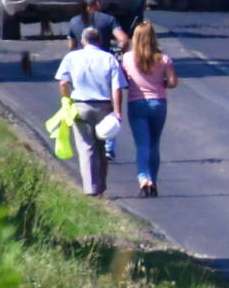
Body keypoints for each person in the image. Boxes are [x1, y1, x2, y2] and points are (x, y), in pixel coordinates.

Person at [55, 27, 126, 196]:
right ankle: (101, 186)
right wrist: (117, 111)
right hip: (103, 107)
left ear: (82, 41)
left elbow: (63, 83)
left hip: (80, 105)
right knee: (101, 147)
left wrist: (66, 100)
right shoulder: (109, 58)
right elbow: (117, 87)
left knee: (86, 148)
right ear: (100, 41)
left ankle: (90, 189)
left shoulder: (71, 57)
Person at [121, 20, 178, 198]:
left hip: (136, 103)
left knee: (142, 144)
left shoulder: (127, 58)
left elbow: (123, 81)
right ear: (153, 38)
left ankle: (144, 178)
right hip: (158, 103)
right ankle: (153, 179)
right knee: (154, 143)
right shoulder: (163, 59)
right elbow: (173, 82)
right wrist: (161, 83)